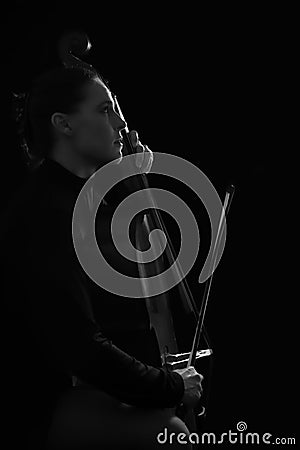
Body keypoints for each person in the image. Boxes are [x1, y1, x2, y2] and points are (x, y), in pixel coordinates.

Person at [1, 66, 203, 449]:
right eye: (104, 110)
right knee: (171, 435)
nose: (122, 124)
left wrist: (133, 185)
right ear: (64, 124)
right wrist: (170, 385)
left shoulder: (86, 200)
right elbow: (82, 347)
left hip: (74, 389)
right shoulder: (47, 213)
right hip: (34, 404)